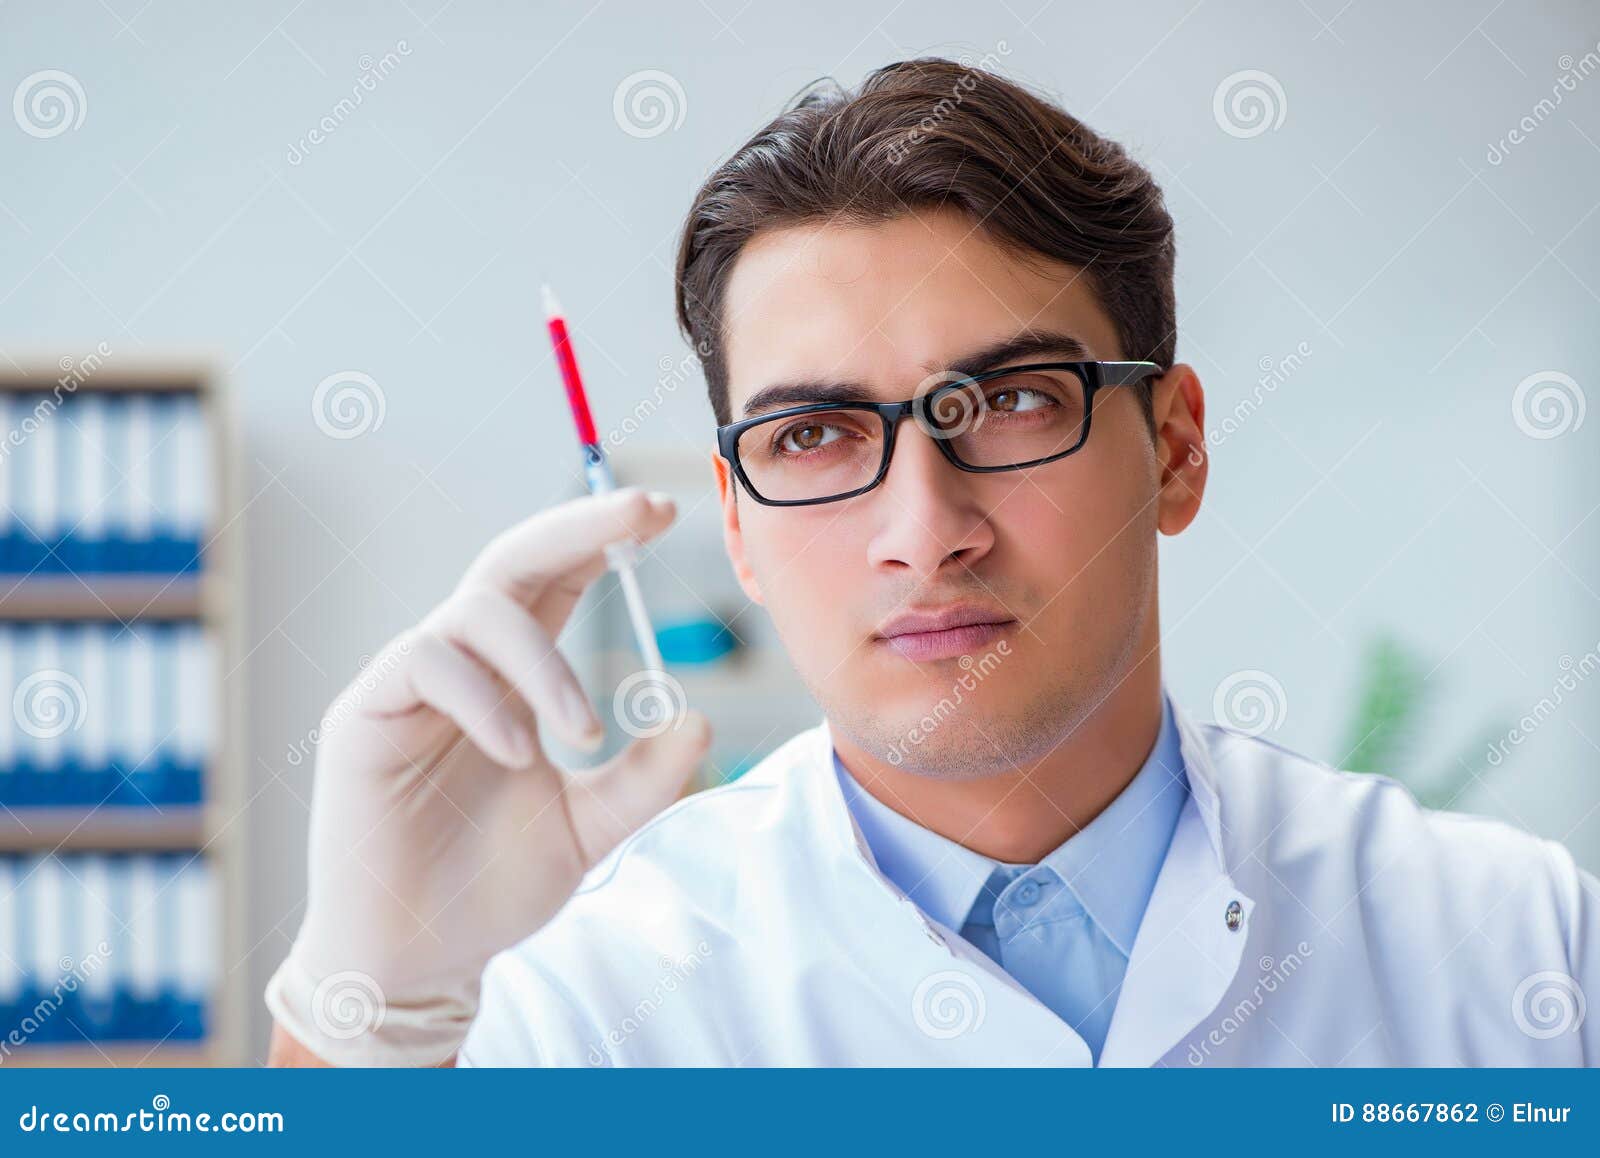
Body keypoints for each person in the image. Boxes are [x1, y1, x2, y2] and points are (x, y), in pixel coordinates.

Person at [266, 58, 1598, 1067]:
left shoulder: (1514, 949)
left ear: (1176, 447)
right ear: (737, 520)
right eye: (814, 432)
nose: (925, 525)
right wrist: (366, 1010)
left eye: (1012, 402)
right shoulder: (590, 1004)